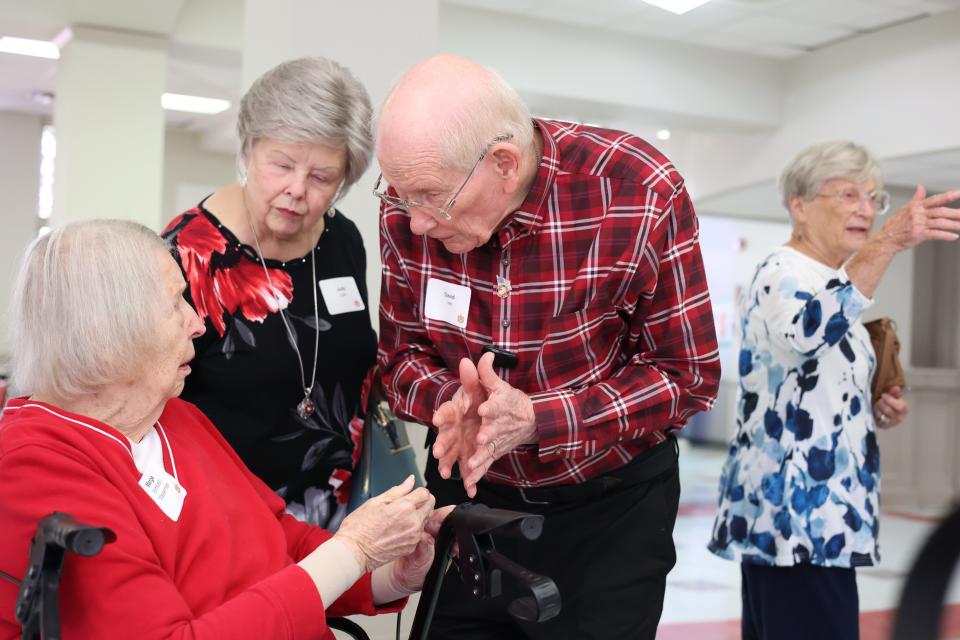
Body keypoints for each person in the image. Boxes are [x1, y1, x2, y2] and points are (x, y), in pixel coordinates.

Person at [373, 55, 721, 639]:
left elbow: (686, 374)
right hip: (471, 508)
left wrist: (541, 419)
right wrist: (452, 402)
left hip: (609, 515)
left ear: (504, 164)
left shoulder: (636, 192)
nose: (415, 224)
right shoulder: (411, 214)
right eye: (399, 196)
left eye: (429, 198)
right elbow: (398, 359)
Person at [0, 220, 452, 639]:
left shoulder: (175, 416)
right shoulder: (36, 466)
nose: (198, 324)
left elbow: (279, 538)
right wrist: (352, 552)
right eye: (175, 303)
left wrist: (386, 571)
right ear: (105, 333)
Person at [707, 141, 960, 640]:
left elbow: (809, 383)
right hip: (797, 519)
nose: (866, 208)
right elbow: (805, 333)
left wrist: (873, 405)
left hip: (819, 517)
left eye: (873, 197)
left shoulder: (829, 278)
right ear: (799, 205)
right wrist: (885, 243)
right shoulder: (783, 271)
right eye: (848, 194)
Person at [162, 57, 377, 530]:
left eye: (322, 178)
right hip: (222, 518)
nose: (297, 190)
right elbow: (151, 403)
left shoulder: (343, 241)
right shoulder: (184, 255)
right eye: (281, 165)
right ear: (248, 150)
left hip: (330, 513)